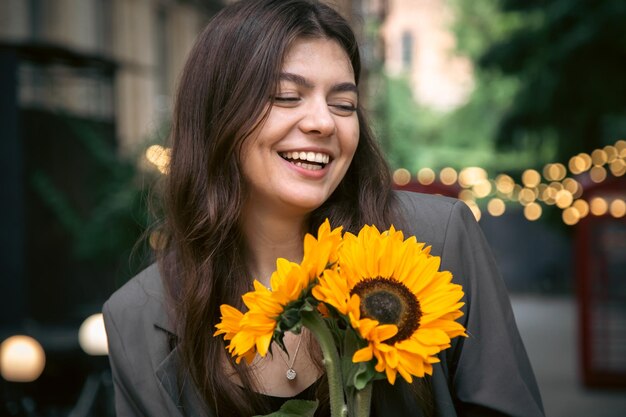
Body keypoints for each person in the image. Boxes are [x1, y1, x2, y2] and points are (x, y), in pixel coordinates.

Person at [102, 0, 545, 416]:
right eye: (286, 96)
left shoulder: (439, 238)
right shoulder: (135, 320)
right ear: (217, 115)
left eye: (344, 104)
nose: (323, 122)